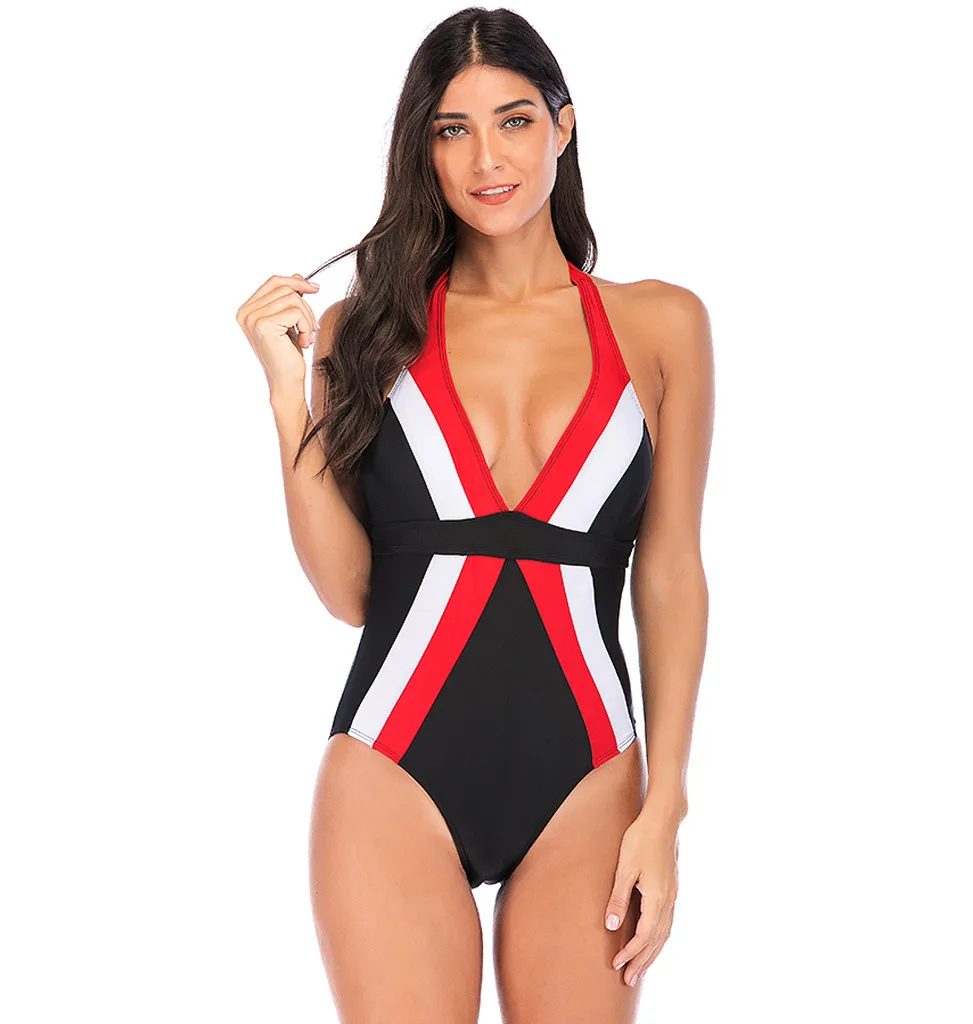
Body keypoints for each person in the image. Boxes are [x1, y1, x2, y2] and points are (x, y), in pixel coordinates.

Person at [235, 8, 713, 1022]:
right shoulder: (365, 333)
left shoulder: (661, 324)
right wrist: (286, 398)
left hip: (590, 778)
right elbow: (350, 593)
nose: (487, 158)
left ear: (563, 125)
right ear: (424, 148)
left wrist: (666, 803)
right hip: (393, 767)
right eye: (452, 130)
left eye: (514, 121)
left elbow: (670, 570)